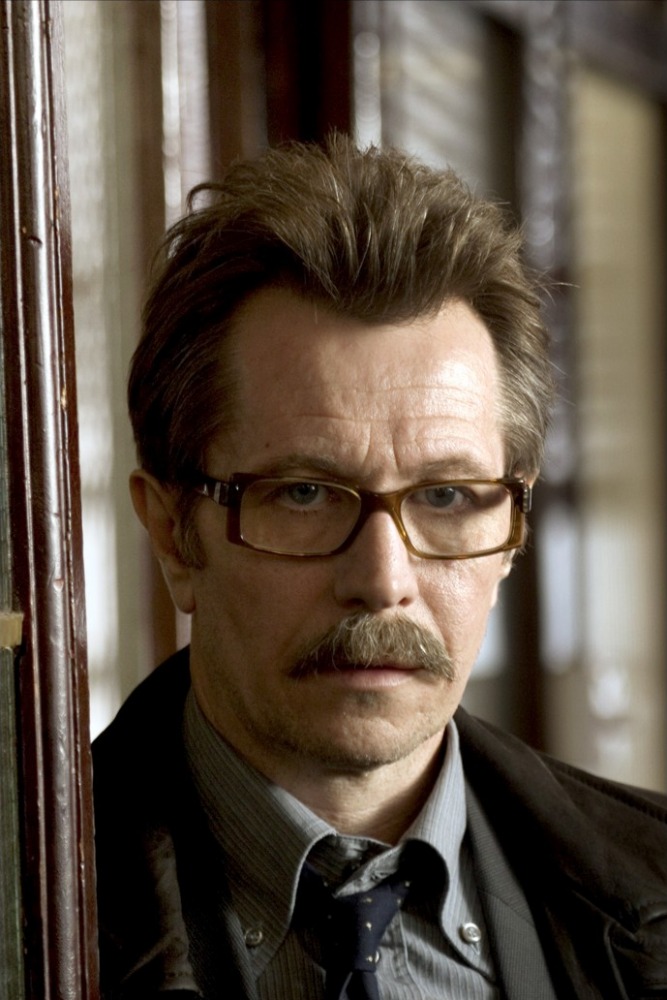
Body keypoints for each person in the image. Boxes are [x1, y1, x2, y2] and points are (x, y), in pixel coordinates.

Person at [93, 135, 666, 1000]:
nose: (383, 579)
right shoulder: (31, 911)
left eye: (446, 497)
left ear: (512, 531)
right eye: (303, 494)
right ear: (174, 534)